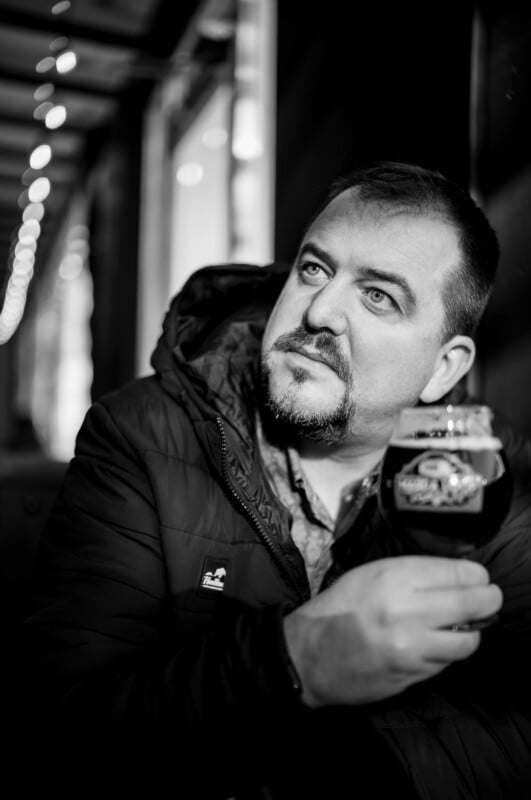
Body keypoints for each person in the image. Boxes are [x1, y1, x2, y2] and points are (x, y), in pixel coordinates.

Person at [18, 161, 531, 799]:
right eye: (314, 269)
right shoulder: (143, 436)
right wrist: (291, 663)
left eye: (379, 297)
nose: (319, 312)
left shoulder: (483, 466)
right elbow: (63, 722)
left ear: (444, 368)